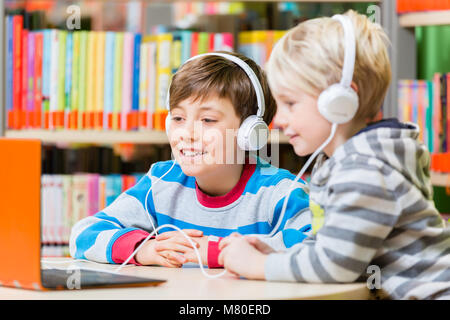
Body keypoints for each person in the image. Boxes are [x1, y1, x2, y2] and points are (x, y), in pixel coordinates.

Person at [218, 11, 450, 300]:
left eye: (290, 103)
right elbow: (330, 247)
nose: (279, 120)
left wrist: (260, 265)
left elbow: (335, 266)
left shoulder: (364, 169)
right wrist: (275, 251)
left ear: (340, 101)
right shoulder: (341, 162)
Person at [69, 52, 311, 269]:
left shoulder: (280, 192)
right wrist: (143, 249)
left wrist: (219, 252)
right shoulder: (161, 182)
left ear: (250, 132)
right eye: (178, 118)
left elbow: (316, 248)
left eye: (207, 120)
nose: (188, 133)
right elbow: (83, 234)